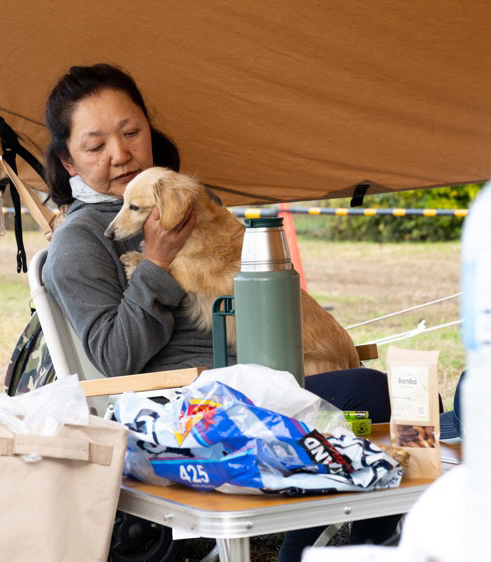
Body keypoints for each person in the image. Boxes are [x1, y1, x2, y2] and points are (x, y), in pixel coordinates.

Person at [42, 63, 401, 560]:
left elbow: (245, 286)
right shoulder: (78, 243)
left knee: (400, 398)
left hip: (254, 377)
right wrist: (158, 261)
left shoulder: (187, 198)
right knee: (366, 392)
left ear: (150, 130)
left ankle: (337, 543)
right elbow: (114, 358)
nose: (120, 154)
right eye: (96, 145)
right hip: (187, 410)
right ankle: (329, 545)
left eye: (131, 132)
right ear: (68, 161)